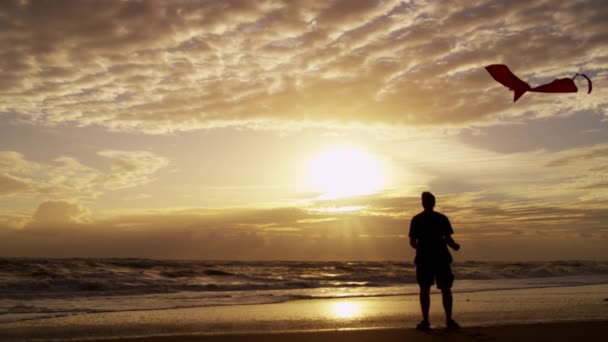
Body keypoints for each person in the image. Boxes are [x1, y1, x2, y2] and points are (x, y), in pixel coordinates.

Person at [409, 191, 461, 331]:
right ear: (434, 203)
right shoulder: (442, 218)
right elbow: (448, 239)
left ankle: (425, 321)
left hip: (424, 258)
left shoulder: (416, 219)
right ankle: (449, 320)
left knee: (424, 289)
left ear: (423, 203)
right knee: (446, 289)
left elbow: (412, 242)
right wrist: (455, 246)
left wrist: (421, 248)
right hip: (441, 257)